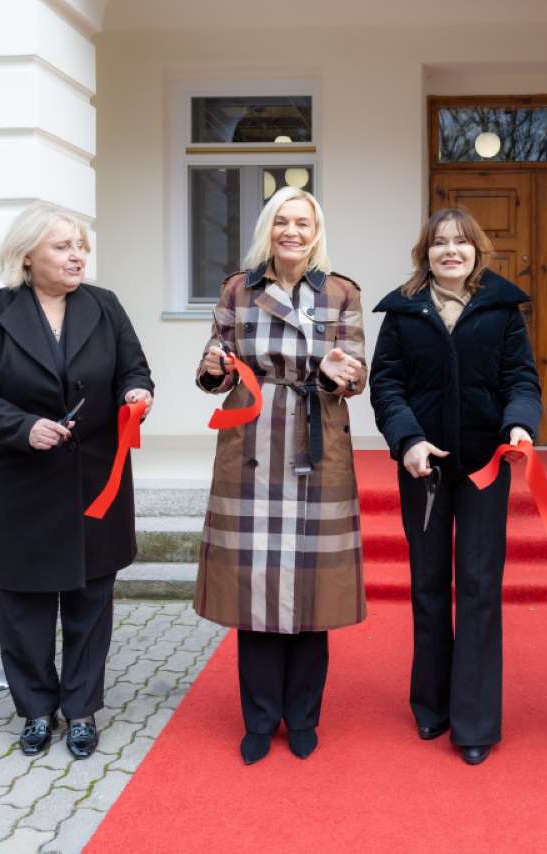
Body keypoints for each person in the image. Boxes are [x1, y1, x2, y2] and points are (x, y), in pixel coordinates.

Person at [0, 201, 154, 759]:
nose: (76, 255)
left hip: (95, 478)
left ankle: (81, 708)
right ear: (27, 255)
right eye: (63, 246)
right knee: (26, 604)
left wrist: (137, 393)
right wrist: (23, 427)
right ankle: (36, 709)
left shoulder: (104, 306)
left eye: (80, 246)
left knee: (91, 597)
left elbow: (133, 367)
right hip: (22, 478)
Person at [195, 187, 367, 766]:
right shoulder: (237, 289)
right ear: (268, 228)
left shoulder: (340, 292)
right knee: (256, 588)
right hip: (253, 439)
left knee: (311, 588)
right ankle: (258, 718)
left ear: (316, 233)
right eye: (283, 222)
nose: (293, 232)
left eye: (304, 223)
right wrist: (216, 369)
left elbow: (356, 371)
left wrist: (339, 373)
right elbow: (213, 365)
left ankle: (303, 717)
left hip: (318, 440)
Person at [369, 208, 541, 766]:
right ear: (426, 251)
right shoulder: (401, 312)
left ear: (476, 249)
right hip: (423, 466)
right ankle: (432, 704)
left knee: (478, 584)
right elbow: (387, 385)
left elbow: (522, 378)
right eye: (440, 242)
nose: (450, 251)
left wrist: (519, 420)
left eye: (461, 242)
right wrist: (408, 440)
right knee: (427, 583)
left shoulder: (502, 309)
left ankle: (474, 721)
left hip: (485, 465)